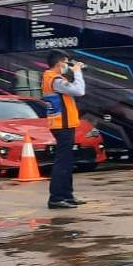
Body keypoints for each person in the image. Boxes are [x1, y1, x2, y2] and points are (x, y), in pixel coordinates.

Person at [42, 50, 86, 209]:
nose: (67, 66)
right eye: (66, 63)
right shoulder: (55, 79)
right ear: (59, 63)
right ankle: (56, 198)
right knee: (62, 163)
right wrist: (78, 72)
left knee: (67, 162)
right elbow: (79, 91)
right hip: (63, 125)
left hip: (62, 124)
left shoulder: (52, 78)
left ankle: (67, 195)